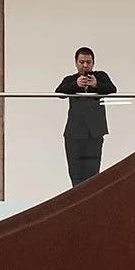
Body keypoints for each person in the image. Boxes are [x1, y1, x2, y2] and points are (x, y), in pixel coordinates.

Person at [54, 46, 117, 185]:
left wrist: (96, 84)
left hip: (95, 132)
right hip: (74, 132)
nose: (85, 65)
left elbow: (112, 89)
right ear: (76, 63)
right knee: (75, 171)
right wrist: (76, 85)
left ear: (93, 63)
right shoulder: (70, 79)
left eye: (88, 62)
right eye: (82, 62)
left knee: (93, 171)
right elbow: (59, 92)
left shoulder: (101, 76)